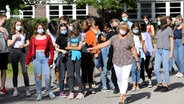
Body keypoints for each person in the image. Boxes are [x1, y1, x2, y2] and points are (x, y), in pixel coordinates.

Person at [87, 23, 140, 104]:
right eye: (121, 29)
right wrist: (93, 48)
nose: (123, 30)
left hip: (127, 61)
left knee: (125, 78)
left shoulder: (130, 38)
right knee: (119, 79)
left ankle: (122, 95)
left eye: (125, 29)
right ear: (118, 29)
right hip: (116, 61)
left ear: (127, 30)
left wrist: (137, 61)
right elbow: (104, 44)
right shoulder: (114, 38)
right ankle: (122, 93)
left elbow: (134, 50)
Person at [25, 23, 55, 101]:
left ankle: (48, 91)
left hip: (45, 58)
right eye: (38, 28)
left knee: (47, 75)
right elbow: (30, 50)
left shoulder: (48, 37)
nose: (40, 29)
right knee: (38, 76)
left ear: (44, 29)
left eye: (41, 28)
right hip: (36, 58)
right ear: (36, 29)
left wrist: (51, 59)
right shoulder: (33, 38)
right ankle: (39, 93)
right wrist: (27, 61)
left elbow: (51, 49)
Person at [7, 19, 31, 96]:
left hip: (22, 52)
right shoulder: (11, 33)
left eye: (20, 24)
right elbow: (8, 44)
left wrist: (23, 45)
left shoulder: (24, 33)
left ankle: (27, 90)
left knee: (24, 71)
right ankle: (15, 90)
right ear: (14, 25)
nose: (19, 26)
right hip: (14, 52)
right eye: (17, 25)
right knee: (15, 72)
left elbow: (28, 42)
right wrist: (14, 38)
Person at [153, 15, 174, 92]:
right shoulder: (158, 30)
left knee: (165, 69)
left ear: (162, 21)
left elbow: (172, 41)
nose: (157, 21)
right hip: (158, 50)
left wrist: (171, 52)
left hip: (166, 50)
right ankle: (160, 83)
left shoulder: (169, 29)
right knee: (156, 68)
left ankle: (167, 85)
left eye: (158, 20)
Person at [65, 20, 84, 99]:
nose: (70, 27)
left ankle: (80, 91)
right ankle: (71, 91)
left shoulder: (80, 36)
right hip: (70, 56)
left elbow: (79, 47)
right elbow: (67, 47)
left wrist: (71, 47)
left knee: (78, 74)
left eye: (71, 25)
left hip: (77, 57)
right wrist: (74, 46)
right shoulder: (69, 36)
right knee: (70, 75)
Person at [106, 19, 120, 94]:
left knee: (120, 72)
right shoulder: (110, 33)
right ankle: (116, 86)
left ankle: (121, 85)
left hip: (121, 54)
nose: (115, 26)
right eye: (114, 25)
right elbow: (107, 43)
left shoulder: (121, 32)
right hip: (112, 54)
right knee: (113, 71)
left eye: (116, 24)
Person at [131, 22, 145, 91]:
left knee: (138, 69)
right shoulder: (130, 35)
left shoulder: (141, 35)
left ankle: (138, 84)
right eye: (134, 29)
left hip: (140, 53)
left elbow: (143, 45)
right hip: (132, 54)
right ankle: (134, 84)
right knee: (133, 69)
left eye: (136, 29)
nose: (135, 30)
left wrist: (146, 52)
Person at [55, 23, 68, 97]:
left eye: (65, 29)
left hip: (69, 55)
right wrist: (61, 51)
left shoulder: (69, 36)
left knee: (70, 73)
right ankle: (61, 91)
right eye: (62, 30)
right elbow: (56, 47)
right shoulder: (59, 37)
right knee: (62, 75)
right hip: (62, 55)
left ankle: (71, 90)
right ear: (59, 30)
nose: (63, 31)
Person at [139, 21, 154, 88]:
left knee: (148, 67)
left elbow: (149, 44)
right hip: (140, 52)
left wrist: (150, 52)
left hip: (147, 52)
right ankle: (143, 80)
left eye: (141, 26)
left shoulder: (147, 34)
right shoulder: (138, 34)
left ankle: (150, 80)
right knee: (141, 67)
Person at [47, 20, 59, 87]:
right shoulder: (47, 32)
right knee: (48, 68)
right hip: (49, 51)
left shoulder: (57, 32)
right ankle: (48, 84)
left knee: (56, 67)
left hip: (56, 50)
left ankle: (57, 81)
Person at [0, 14, 9, 94]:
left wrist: (4, 33)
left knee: (3, 70)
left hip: (4, 52)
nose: (5, 21)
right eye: (4, 20)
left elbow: (7, 39)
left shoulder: (4, 29)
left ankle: (3, 87)